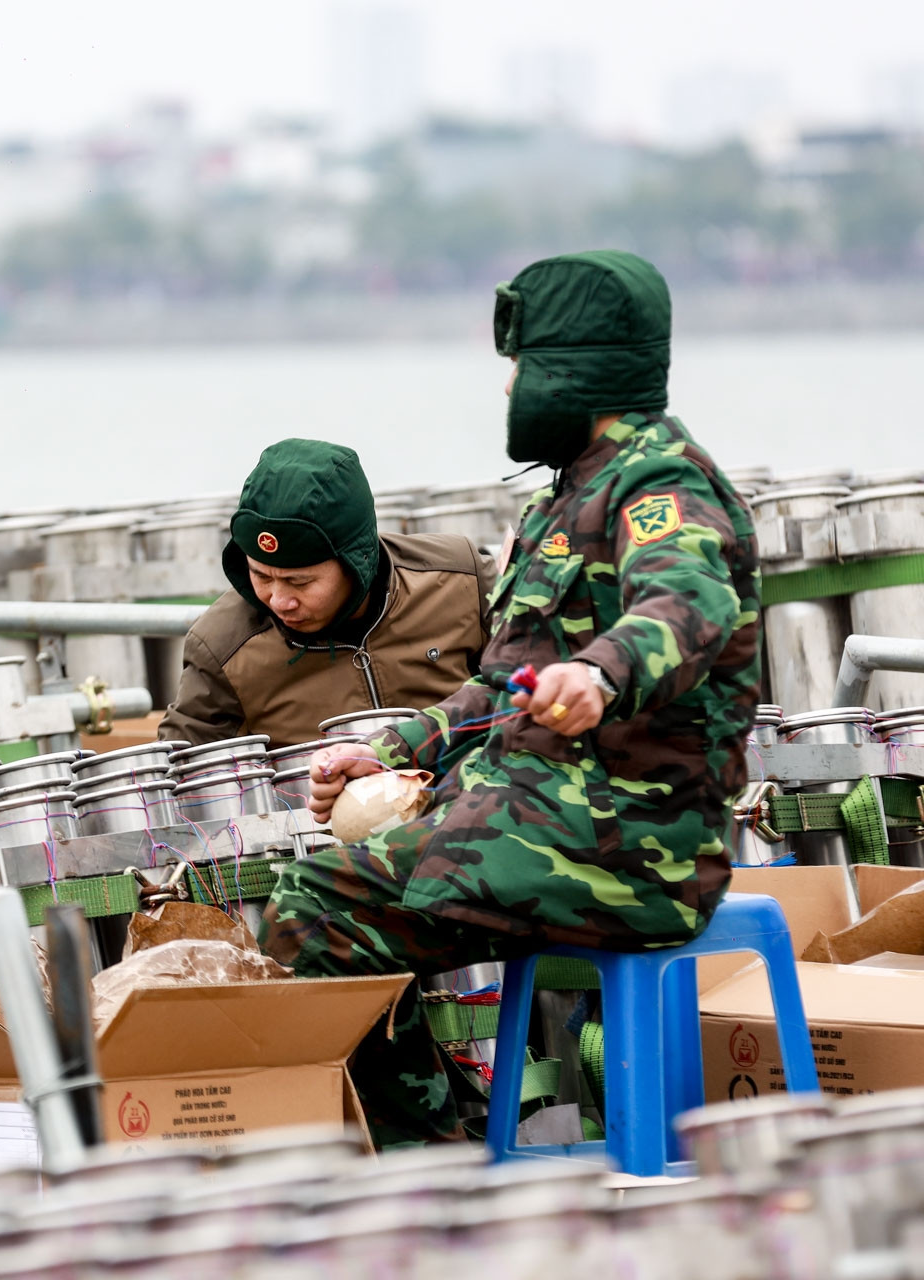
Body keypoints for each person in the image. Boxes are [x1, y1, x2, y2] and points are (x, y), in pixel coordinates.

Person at [259, 250, 761, 1147]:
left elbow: (689, 607)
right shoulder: (565, 499)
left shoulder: (660, 487)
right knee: (323, 883)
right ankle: (446, 1134)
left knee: (319, 907)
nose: (508, 392)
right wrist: (394, 752)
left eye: (520, 368)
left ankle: (425, 1169)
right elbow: (499, 689)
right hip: (537, 814)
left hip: (632, 844)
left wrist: (603, 673)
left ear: (575, 370)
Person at [159, 439, 495, 749]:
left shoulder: (462, 579)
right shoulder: (222, 645)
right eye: (260, 575)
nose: (279, 601)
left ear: (357, 559)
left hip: (473, 803)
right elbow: (181, 770)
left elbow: (533, 685)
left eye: (300, 582)